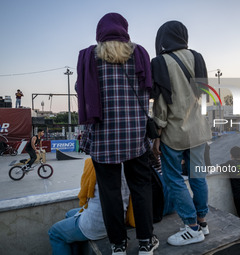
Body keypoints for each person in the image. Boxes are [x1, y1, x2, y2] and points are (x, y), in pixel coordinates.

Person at [76, 13, 158, 255]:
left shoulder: (88, 56)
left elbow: (80, 90)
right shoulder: (140, 53)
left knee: (109, 193)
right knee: (141, 188)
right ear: (125, 29)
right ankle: (145, 243)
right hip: (134, 135)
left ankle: (118, 246)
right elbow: (149, 89)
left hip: (103, 137)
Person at [151, 21, 212, 246]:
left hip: (173, 133)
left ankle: (191, 227)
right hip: (198, 131)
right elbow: (203, 94)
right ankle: (203, 223)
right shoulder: (198, 57)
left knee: (174, 179)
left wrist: (157, 135)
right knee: (198, 177)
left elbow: (161, 103)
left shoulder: (159, 62)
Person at [48, 158, 130, 255]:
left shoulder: (94, 163)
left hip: (98, 223)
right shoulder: (129, 163)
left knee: (55, 233)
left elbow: (84, 193)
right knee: (70, 214)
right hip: (121, 215)